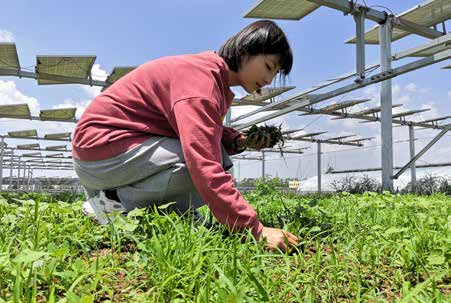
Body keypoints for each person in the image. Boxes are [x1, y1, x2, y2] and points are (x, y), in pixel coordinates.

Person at [72, 20, 298, 252]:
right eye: (269, 67)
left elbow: (205, 130)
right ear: (246, 49)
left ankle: (170, 210)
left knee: (216, 158)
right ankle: (112, 202)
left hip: (115, 152)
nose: (270, 79)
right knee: (203, 163)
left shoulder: (210, 77)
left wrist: (239, 141)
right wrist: (255, 230)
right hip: (101, 150)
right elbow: (204, 162)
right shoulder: (202, 83)